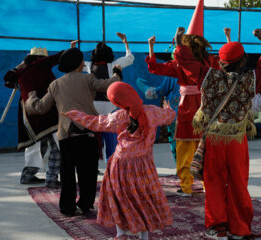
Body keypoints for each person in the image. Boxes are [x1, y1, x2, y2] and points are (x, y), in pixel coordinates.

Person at [173, 26, 261, 239]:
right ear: (243, 62)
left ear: (220, 63)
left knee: (213, 183)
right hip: (237, 141)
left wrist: (178, 43)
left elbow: (185, 62)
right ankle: (240, 229)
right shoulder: (252, 80)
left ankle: (216, 226)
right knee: (239, 183)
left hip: (214, 139)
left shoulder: (208, 76)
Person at [63, 82, 175, 240]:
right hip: (144, 164)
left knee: (119, 198)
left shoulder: (118, 116)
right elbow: (170, 116)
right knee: (144, 197)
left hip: (121, 164)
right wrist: (168, 107)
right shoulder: (153, 112)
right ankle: (144, 236)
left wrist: (74, 114)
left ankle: (121, 234)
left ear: (117, 102)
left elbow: (95, 123)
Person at [25, 47, 122, 216]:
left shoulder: (55, 84)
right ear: (78, 64)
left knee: (67, 173)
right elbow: (107, 85)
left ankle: (67, 207)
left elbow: (40, 108)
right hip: (88, 133)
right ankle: (85, 204)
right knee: (89, 173)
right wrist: (117, 73)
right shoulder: (88, 79)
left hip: (66, 135)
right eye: (82, 61)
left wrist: (31, 97)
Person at [146, 28, 222, 197]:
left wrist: (151, 47)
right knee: (207, 149)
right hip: (206, 106)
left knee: (185, 150)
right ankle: (207, 185)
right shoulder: (210, 61)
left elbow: (155, 68)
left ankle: (186, 187)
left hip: (187, 107)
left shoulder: (179, 64)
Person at [3, 46, 64, 188]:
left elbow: (8, 77)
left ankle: (28, 176)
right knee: (56, 145)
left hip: (29, 115)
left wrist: (21, 64)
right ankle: (52, 179)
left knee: (36, 145)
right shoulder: (41, 65)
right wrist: (70, 50)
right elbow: (55, 58)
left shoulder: (21, 73)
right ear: (41, 58)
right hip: (46, 112)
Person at [83, 33, 135, 161]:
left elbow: (74, 63)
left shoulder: (89, 66)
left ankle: (92, 165)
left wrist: (72, 48)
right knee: (111, 139)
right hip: (110, 108)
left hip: (93, 108)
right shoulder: (113, 65)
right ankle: (111, 165)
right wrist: (125, 43)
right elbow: (130, 58)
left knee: (92, 139)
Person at [136, 76, 180, 162]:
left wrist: (145, 89)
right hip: (196, 116)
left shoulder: (173, 71)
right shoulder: (201, 68)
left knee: (177, 143)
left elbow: (160, 92)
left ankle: (181, 170)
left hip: (175, 116)